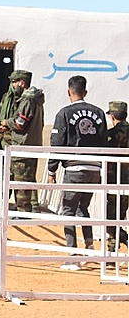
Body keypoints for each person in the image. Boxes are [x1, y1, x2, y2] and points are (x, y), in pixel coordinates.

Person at [48, 75, 107, 270]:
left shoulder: (64, 113)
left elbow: (57, 143)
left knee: (68, 210)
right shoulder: (98, 113)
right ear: (85, 92)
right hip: (95, 168)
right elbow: (103, 140)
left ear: (68, 92)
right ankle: (89, 246)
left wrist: (52, 169)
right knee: (83, 208)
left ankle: (73, 255)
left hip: (74, 168)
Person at [0, 70, 45, 213]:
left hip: (22, 146)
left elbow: (20, 123)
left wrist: (6, 122)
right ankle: (24, 210)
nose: (13, 85)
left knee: (21, 184)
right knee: (26, 181)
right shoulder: (35, 99)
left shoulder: (27, 100)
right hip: (30, 145)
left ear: (22, 83)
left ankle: (23, 212)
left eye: (14, 82)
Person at [105, 101, 129, 252]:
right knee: (120, 215)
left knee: (109, 218)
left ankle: (122, 240)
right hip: (127, 183)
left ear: (112, 117)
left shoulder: (111, 135)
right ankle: (112, 250)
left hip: (115, 181)